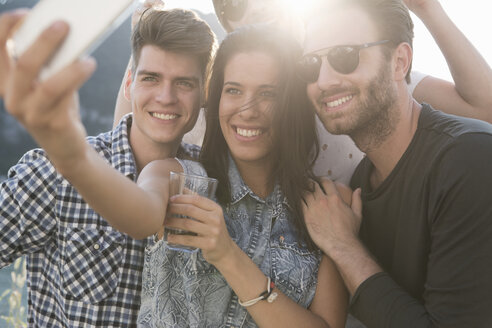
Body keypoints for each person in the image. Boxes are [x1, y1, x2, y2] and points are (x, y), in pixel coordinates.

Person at [0, 8, 216, 327]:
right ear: (129, 84)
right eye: (151, 78)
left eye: (184, 83)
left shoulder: (213, 179)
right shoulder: (50, 172)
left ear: (204, 93)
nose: (166, 96)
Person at [301, 0, 492, 327]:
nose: (324, 80)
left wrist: (345, 247)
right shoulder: (361, 187)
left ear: (399, 62)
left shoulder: (468, 159)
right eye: (309, 65)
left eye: (345, 56)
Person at [197, 0, 492, 185]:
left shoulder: (357, 73)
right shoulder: (227, 104)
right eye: (234, 5)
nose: (254, 6)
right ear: (228, 24)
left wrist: (428, 8)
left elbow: (484, 109)